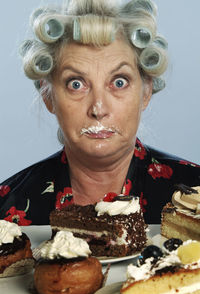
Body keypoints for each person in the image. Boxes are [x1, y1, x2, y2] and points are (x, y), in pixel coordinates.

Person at [0, 0, 199, 225]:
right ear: (49, 97)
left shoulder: (196, 192)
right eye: (76, 84)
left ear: (146, 91)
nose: (98, 108)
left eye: (119, 82)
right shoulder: (7, 207)